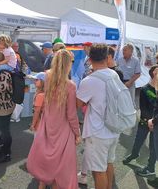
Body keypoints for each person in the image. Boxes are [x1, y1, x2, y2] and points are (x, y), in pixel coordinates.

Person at [27, 49, 81, 189]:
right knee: (60, 170)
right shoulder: (70, 85)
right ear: (69, 64)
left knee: (45, 168)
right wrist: (77, 133)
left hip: (46, 125)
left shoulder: (47, 76)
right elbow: (71, 114)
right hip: (62, 130)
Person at [76, 44, 120, 189]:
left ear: (89, 58)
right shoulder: (114, 74)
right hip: (113, 128)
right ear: (107, 57)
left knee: (98, 171)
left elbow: (78, 103)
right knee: (108, 164)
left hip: (98, 133)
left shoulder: (90, 80)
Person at [122, 65, 158, 177]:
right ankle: (134, 154)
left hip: (155, 123)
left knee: (153, 147)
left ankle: (150, 167)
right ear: (153, 75)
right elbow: (143, 108)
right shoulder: (145, 89)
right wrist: (149, 121)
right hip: (145, 121)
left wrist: (154, 122)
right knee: (138, 141)